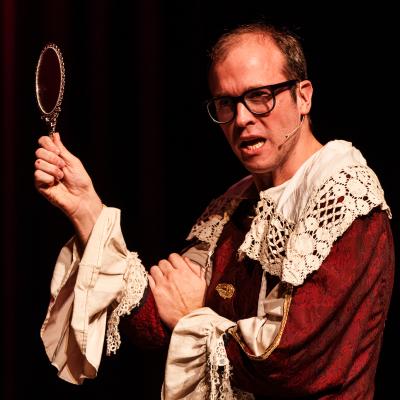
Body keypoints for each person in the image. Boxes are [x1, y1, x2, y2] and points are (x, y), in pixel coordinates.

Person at [34, 23, 394, 399]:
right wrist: (87, 210)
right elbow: (155, 323)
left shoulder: (345, 201)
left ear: (303, 97)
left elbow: (291, 363)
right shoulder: (234, 205)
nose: (242, 118)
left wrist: (194, 315)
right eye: (226, 103)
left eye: (260, 96)